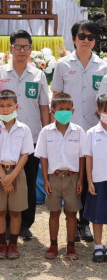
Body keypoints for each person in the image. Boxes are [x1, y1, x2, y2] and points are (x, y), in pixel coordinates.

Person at [0, 30, 50, 239]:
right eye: (18, 46)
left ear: (31, 49)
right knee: (4, 179)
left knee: (28, 181)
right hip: (3, 137)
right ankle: (5, 223)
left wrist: (46, 135)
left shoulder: (38, 75)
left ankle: (25, 223)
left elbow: (44, 107)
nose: (22, 50)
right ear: (10, 48)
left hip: (31, 138)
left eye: (26, 46)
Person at [51, 20, 107, 242]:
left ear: (95, 41)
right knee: (75, 177)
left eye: (91, 37)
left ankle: (85, 222)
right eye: (82, 36)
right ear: (73, 38)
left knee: (90, 176)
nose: (86, 41)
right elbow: (55, 97)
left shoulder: (103, 67)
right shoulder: (63, 65)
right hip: (69, 132)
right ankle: (72, 221)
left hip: (95, 133)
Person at [0, 90, 34, 259]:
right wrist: (3, 177)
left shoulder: (24, 129)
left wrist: (11, 177)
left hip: (17, 173)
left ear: (16, 106)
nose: (5, 110)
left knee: (15, 211)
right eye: (2, 106)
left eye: (9, 106)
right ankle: (1, 245)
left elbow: (25, 155)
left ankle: (13, 244)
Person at [35, 93, 85, 260]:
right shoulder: (46, 132)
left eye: (67, 109)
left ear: (73, 110)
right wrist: (46, 180)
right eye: (60, 109)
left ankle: (71, 246)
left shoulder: (79, 132)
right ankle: (53, 244)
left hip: (72, 177)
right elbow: (43, 157)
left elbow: (82, 157)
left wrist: (80, 179)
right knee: (54, 212)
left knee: (71, 213)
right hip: (53, 178)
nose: (64, 112)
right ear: (53, 111)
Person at [82, 94, 107, 262]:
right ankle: (98, 246)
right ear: (98, 111)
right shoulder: (91, 133)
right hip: (98, 181)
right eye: (106, 110)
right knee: (98, 216)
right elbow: (88, 158)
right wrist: (89, 181)